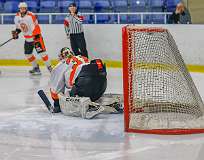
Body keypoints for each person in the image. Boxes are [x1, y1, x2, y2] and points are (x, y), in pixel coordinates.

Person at [49, 47, 122, 119]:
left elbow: (56, 86)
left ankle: (88, 107)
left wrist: (57, 104)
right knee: (92, 96)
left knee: (67, 96)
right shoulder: (82, 58)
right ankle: (111, 104)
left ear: (62, 56)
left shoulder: (62, 63)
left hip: (84, 83)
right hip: (102, 82)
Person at [12, 2, 52, 75]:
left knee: (42, 54)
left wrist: (35, 36)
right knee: (28, 54)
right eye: (21, 8)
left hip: (36, 37)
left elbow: (36, 27)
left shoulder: (31, 15)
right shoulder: (17, 17)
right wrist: (16, 33)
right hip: (27, 39)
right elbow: (19, 27)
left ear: (26, 8)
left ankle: (50, 68)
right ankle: (36, 68)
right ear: (19, 9)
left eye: (24, 8)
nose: (23, 10)